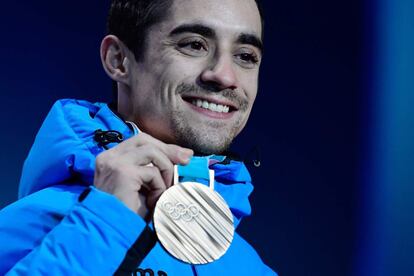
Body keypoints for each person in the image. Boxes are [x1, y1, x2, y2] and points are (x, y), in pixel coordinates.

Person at [0, 0, 276, 275]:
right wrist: (103, 223)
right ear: (118, 59)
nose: (225, 76)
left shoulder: (251, 268)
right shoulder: (25, 230)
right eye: (194, 44)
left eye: (246, 56)